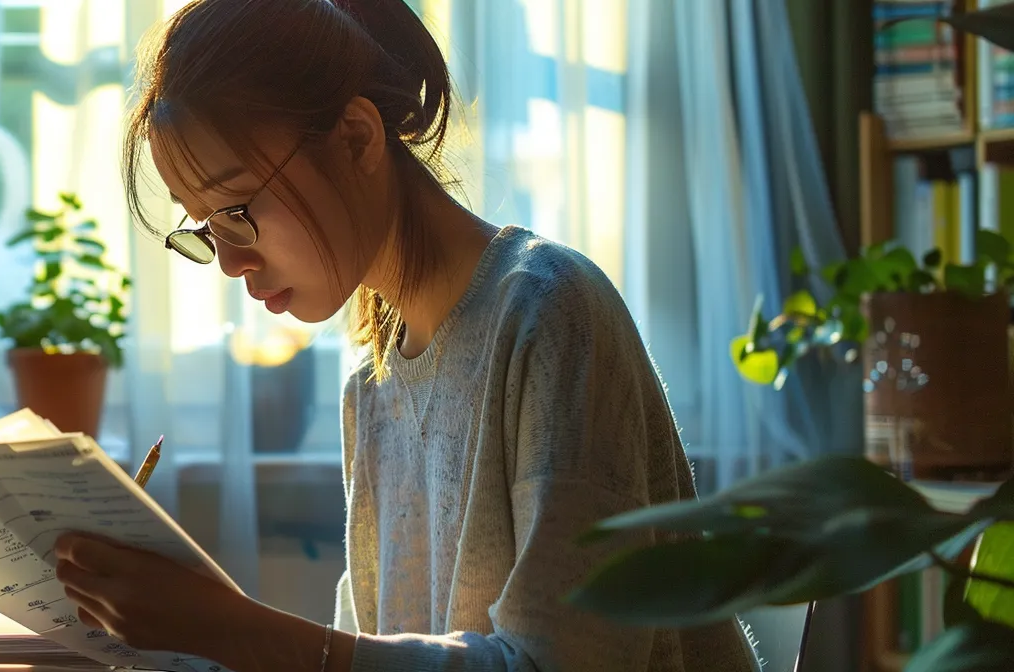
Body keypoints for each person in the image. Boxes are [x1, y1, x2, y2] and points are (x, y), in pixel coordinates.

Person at [49, 0, 761, 670]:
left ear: (356, 138)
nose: (229, 260)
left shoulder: (549, 313)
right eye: (203, 228)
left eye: (237, 208)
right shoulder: (376, 382)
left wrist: (235, 629)